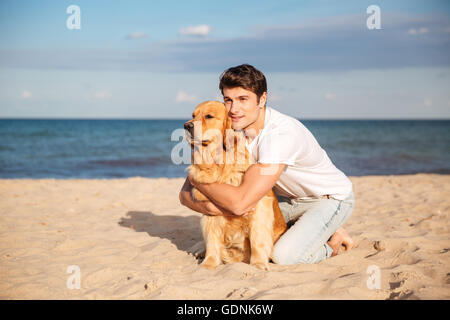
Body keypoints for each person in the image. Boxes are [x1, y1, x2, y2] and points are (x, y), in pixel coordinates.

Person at [179, 64, 355, 264]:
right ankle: (311, 225)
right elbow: (184, 195)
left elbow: (238, 204)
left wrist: (200, 184)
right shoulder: (234, 132)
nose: (234, 109)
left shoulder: (279, 135)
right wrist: (209, 206)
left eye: (243, 99)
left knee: (283, 256)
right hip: (286, 199)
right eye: (228, 100)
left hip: (329, 199)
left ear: (262, 99)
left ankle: (330, 244)